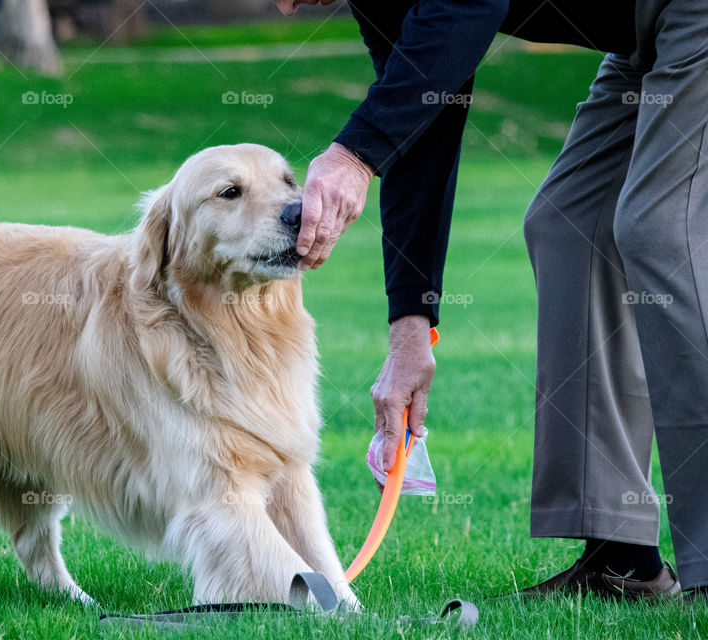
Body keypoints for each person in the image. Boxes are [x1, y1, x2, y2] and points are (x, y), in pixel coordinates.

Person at [274, 0, 707, 599]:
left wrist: (353, 155)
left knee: (659, 229)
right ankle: (622, 560)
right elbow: (425, 116)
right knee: (567, 226)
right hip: (640, 32)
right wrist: (410, 333)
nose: (284, 7)